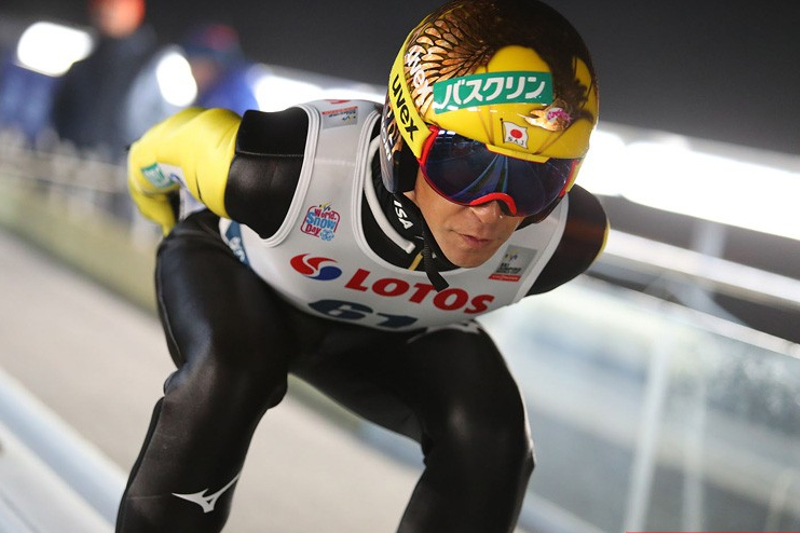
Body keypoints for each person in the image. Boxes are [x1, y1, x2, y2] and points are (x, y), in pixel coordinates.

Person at [118, 0, 607, 531]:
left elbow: (155, 158)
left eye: (537, 179)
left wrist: (158, 216)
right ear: (403, 140)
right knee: (229, 373)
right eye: (467, 165)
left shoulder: (563, 240)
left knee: (493, 437)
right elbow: (154, 153)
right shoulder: (285, 169)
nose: (492, 211)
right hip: (246, 281)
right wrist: (167, 229)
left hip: (389, 326)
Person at [50, 0, 166, 161]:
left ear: (136, 10)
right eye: (102, 5)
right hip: (77, 164)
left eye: (115, 5)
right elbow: (61, 116)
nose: (107, 11)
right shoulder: (82, 67)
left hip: (129, 168)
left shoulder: (158, 64)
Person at [179, 22, 261, 116]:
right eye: (191, 62)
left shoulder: (236, 94)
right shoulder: (206, 94)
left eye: (197, 62)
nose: (194, 70)